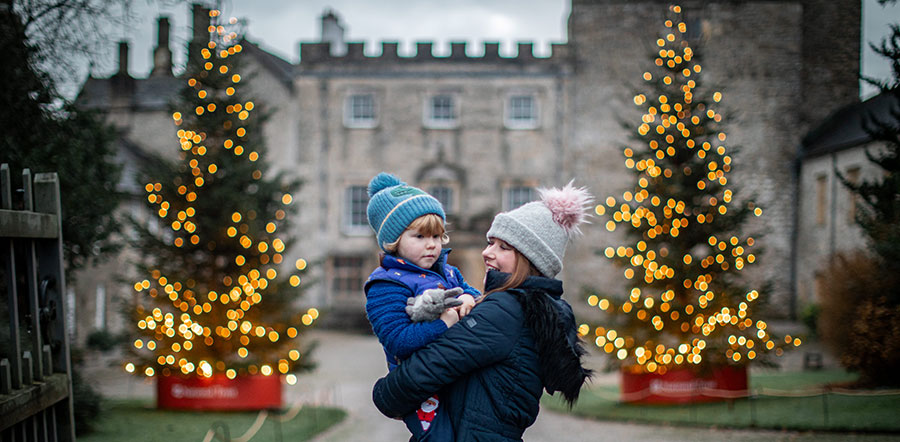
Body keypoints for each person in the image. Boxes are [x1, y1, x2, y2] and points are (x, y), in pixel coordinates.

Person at [372, 182, 594, 441]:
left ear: (529, 259)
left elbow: (425, 370)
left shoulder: (505, 310)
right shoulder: (538, 307)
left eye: (503, 247)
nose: (486, 253)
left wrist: (383, 394)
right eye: (490, 243)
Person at [364, 172, 480, 440]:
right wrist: (445, 323)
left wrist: (468, 297)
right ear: (393, 241)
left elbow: (472, 292)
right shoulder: (386, 284)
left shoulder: (449, 272)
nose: (432, 245)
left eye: (437, 236)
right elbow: (398, 340)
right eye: (419, 236)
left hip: (455, 375)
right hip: (421, 387)